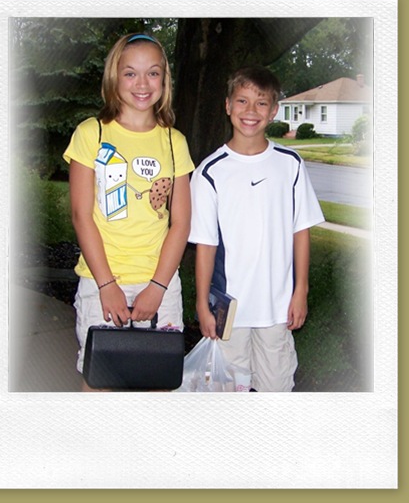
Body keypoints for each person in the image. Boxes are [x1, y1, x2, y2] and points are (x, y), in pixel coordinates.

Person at [63, 33, 195, 390]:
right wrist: (106, 285)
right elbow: (81, 215)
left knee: (157, 383)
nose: (142, 83)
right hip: (102, 282)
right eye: (130, 73)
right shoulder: (91, 133)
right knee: (100, 381)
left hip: (161, 283)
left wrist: (157, 287)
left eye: (153, 73)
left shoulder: (174, 140)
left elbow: (180, 223)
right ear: (113, 77)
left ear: (164, 80)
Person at [188, 65, 325, 392]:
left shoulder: (290, 165)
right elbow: (205, 245)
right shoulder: (209, 172)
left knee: (276, 390)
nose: (251, 111)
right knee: (229, 394)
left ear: (274, 110)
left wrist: (300, 290)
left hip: (277, 307)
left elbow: (300, 231)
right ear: (227, 106)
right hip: (229, 308)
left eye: (261, 103)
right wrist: (200, 304)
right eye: (242, 101)